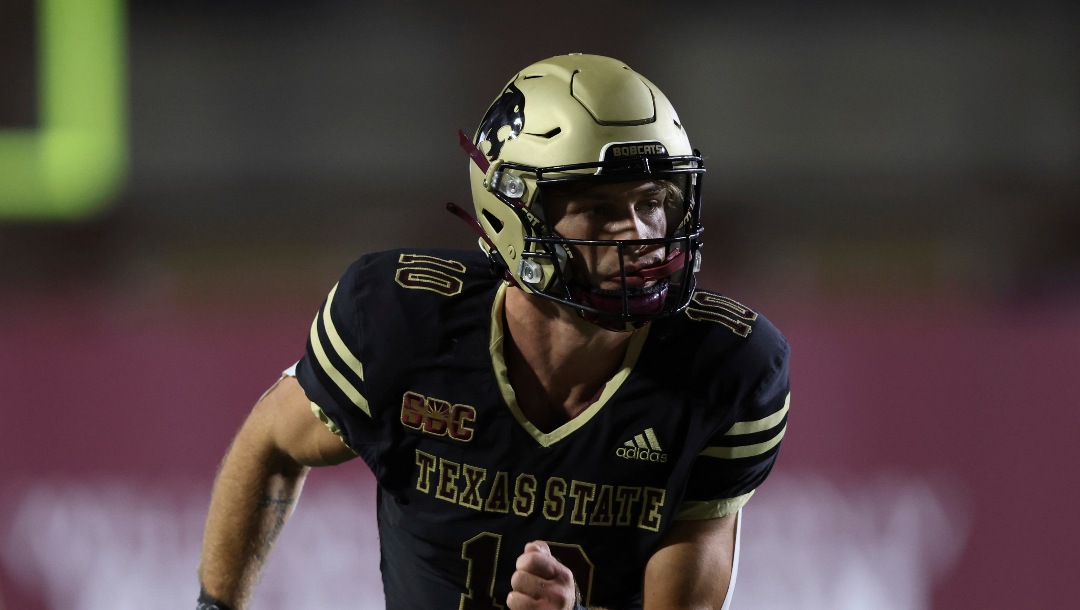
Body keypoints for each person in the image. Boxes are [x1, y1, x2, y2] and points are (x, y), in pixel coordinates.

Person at [197, 53, 790, 610]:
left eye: (653, 201)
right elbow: (270, 443)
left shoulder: (728, 367)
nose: (639, 234)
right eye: (601, 208)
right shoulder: (404, 324)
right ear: (514, 210)